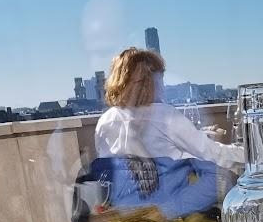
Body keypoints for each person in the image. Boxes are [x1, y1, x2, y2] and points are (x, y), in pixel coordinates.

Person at [93, 48, 244, 172]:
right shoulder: (165, 115)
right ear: (148, 82)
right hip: (169, 200)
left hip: (123, 203)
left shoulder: (105, 120)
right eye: (160, 78)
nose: (163, 85)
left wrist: (197, 135)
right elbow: (212, 153)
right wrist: (250, 153)